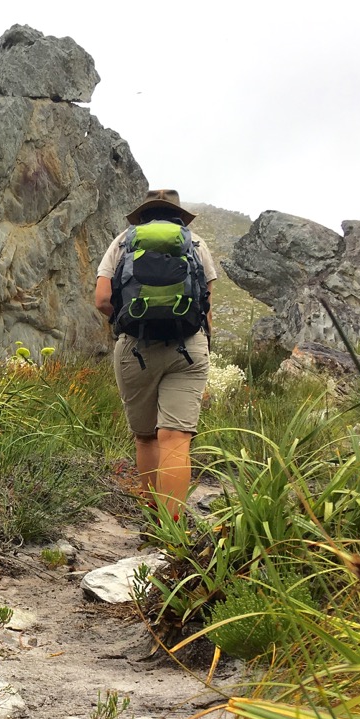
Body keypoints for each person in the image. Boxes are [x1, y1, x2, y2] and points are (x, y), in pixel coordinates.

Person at [94, 189, 218, 521]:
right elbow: (205, 305)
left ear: (142, 214)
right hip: (188, 347)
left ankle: (150, 518)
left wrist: (129, 318)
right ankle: (171, 528)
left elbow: (102, 299)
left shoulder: (123, 241)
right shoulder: (196, 243)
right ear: (178, 215)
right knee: (176, 438)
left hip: (136, 348)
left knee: (147, 437)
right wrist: (205, 343)